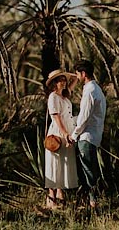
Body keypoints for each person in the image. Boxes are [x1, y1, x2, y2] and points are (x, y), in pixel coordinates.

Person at [69, 59, 106, 209]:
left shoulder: (89, 90)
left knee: (88, 172)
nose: (77, 77)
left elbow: (84, 116)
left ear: (83, 74)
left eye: (78, 74)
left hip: (86, 137)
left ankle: (93, 204)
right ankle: (87, 203)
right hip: (94, 136)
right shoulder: (97, 89)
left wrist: (74, 134)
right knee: (89, 171)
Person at [42, 69, 78, 209]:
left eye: (64, 79)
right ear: (54, 83)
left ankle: (60, 192)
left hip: (67, 131)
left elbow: (74, 80)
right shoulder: (53, 97)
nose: (63, 81)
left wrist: (71, 74)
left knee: (64, 162)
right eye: (60, 80)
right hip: (58, 132)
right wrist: (65, 134)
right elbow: (56, 117)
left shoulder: (65, 95)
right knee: (55, 162)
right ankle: (51, 196)